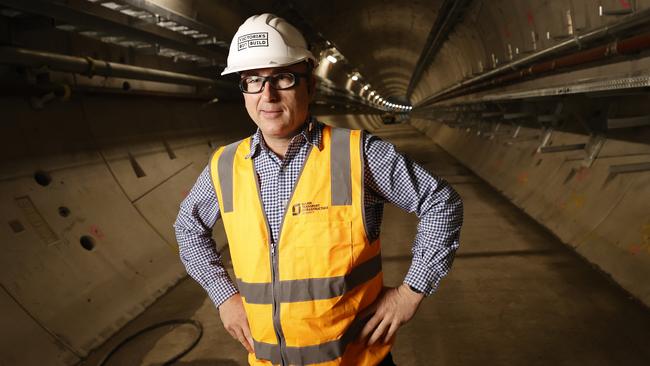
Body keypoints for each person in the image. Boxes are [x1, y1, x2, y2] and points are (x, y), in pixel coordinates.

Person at [174, 13, 463, 366]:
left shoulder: (358, 154)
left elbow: (441, 202)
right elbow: (188, 228)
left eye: (281, 77)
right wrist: (224, 297)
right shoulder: (224, 165)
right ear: (243, 90)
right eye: (252, 80)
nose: (267, 94)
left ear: (310, 85)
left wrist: (410, 292)